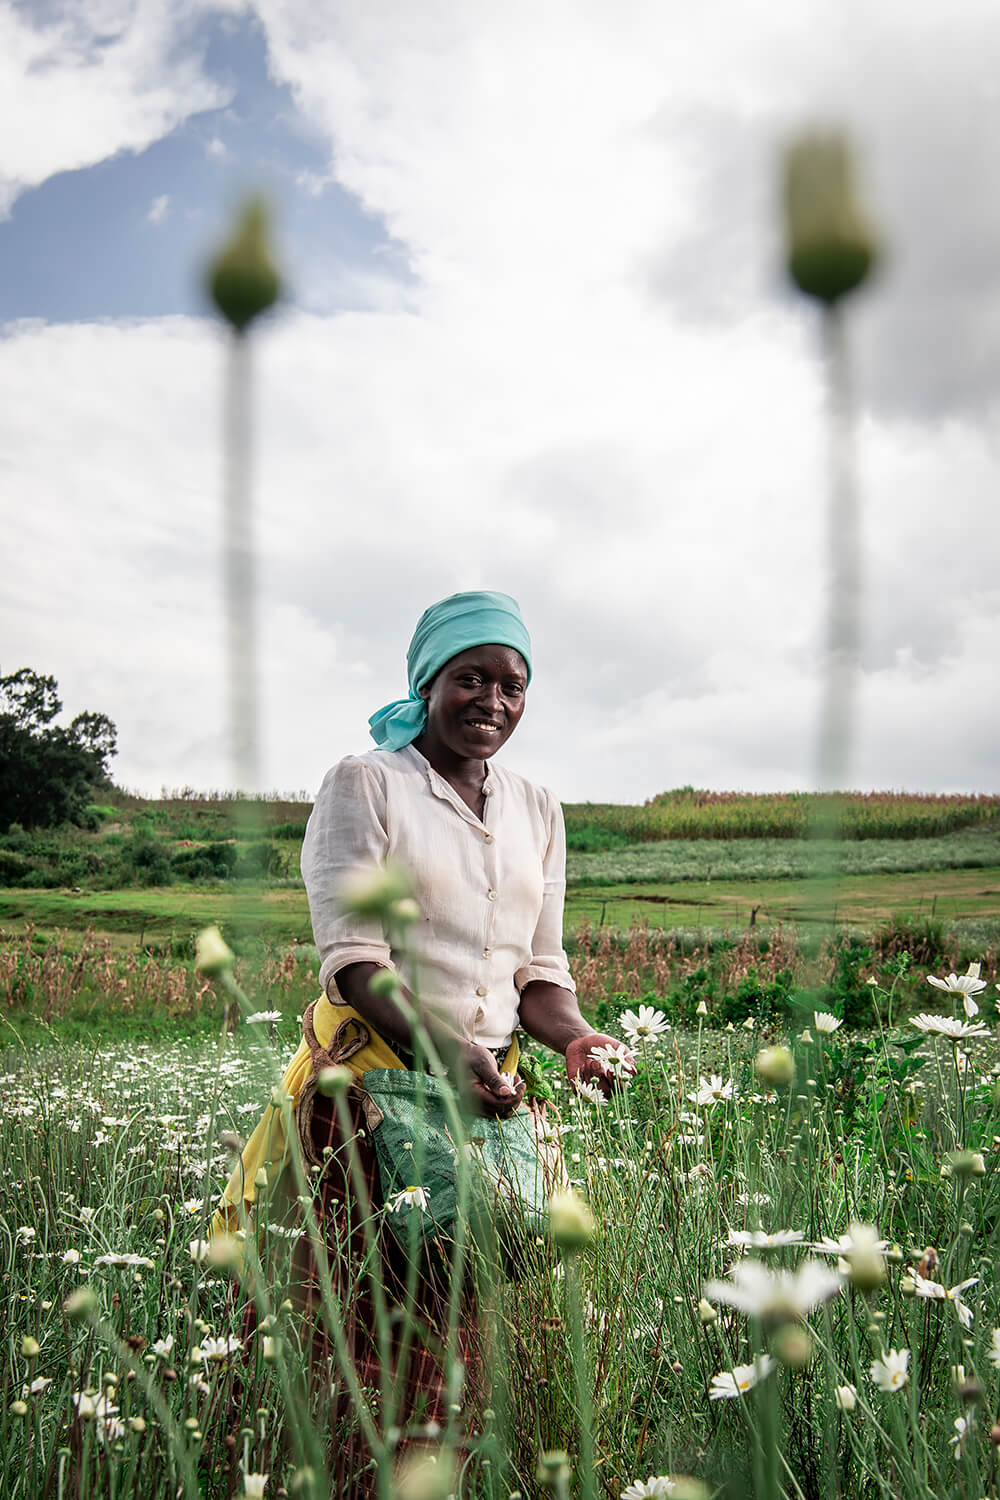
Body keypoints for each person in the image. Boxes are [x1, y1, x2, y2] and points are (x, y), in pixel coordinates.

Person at [215, 589, 632, 1488]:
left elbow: (541, 972)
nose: (492, 701)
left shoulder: (537, 807)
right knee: (358, 1335)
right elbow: (357, 964)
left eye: (512, 685)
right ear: (428, 681)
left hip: (479, 1114)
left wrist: (577, 1040)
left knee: (452, 1339)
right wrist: (451, 1050)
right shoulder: (368, 784)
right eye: (469, 678)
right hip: (369, 1099)